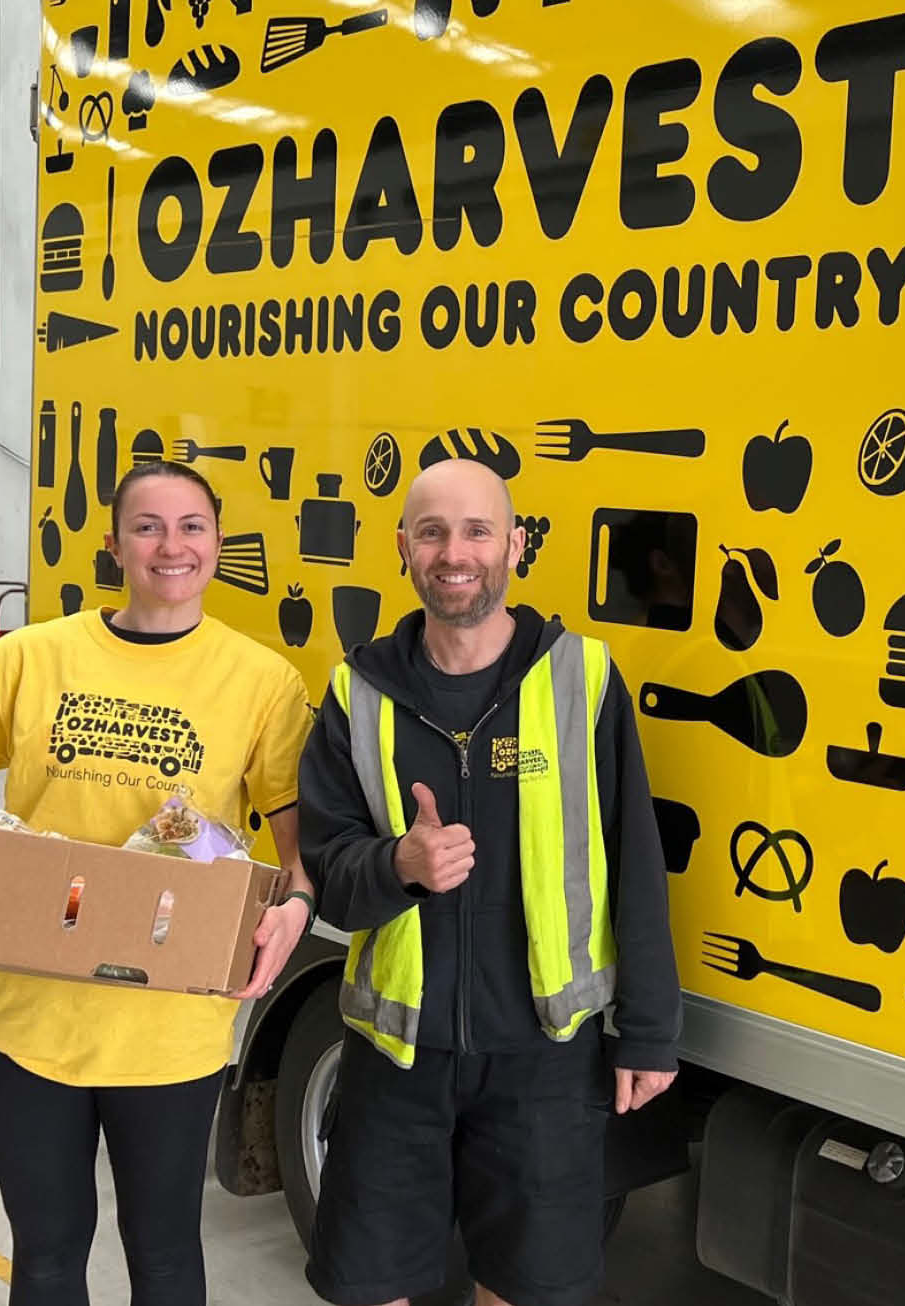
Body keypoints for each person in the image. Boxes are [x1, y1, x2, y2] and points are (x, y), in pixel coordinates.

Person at [0, 460, 316, 1306]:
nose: (172, 546)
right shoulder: (26, 658)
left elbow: (296, 842)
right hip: (26, 1015)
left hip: (169, 1023)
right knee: (48, 1252)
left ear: (219, 544)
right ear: (114, 543)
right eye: (148, 526)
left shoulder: (263, 680)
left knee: (163, 1251)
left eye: (192, 527)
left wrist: (297, 907)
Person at [300, 458, 681, 1306]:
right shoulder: (356, 694)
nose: (454, 552)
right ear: (403, 549)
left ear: (515, 544)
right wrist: (398, 865)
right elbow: (327, 875)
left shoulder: (583, 679)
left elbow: (635, 860)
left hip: (543, 1058)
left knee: (527, 1288)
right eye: (432, 532)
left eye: (477, 530)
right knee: (370, 1285)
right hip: (397, 1055)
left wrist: (650, 1030)